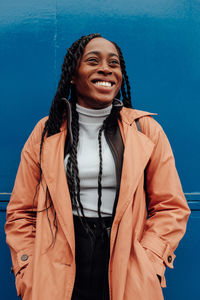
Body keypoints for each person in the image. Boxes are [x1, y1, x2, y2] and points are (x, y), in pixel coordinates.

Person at [5, 33, 190, 300]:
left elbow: (171, 207)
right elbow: (21, 212)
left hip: (126, 261)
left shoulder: (146, 130)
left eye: (114, 63)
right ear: (72, 74)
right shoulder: (46, 132)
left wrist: (149, 261)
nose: (106, 68)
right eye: (93, 61)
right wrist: (28, 269)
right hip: (57, 264)